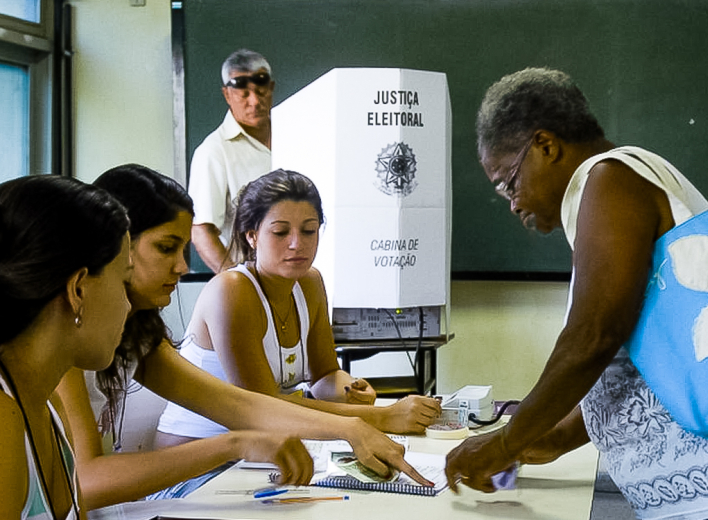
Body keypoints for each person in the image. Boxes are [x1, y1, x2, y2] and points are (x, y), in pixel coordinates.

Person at [444, 68, 708, 519]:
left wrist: (508, 441)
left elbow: (593, 336)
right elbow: (645, 361)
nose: (513, 203)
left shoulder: (609, 178)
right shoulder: (610, 190)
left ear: (546, 145)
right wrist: (557, 434)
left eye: (509, 182)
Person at [54, 164, 432, 511]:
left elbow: (240, 405)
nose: (184, 267)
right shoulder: (63, 340)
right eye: (166, 248)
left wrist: (355, 424)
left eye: (309, 230)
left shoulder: (136, 332)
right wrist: (235, 443)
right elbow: (84, 481)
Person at [156, 169, 442, 446]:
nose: (297, 244)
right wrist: (383, 416)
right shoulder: (232, 290)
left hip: (264, 451)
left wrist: (348, 388)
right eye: (280, 232)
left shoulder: (310, 282)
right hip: (203, 462)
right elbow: (265, 409)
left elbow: (325, 376)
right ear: (251, 235)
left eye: (309, 231)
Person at [0, 175, 131, 520]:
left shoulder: (50, 405)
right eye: (124, 282)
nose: (128, 306)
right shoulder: (2, 422)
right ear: (77, 291)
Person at [189, 48, 275, 273]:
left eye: (260, 90)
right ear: (227, 94)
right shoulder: (213, 152)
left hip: (307, 275)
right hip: (252, 277)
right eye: (243, 93)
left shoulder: (300, 132)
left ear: (271, 88)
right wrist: (236, 281)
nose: (254, 101)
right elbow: (201, 231)